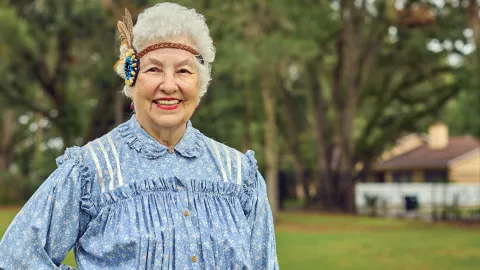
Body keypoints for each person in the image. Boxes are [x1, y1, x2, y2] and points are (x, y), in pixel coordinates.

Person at [0, 3, 278, 269]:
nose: (169, 85)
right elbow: (16, 257)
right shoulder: (91, 170)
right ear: (131, 78)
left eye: (183, 70)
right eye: (154, 69)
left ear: (200, 83)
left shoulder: (240, 176)